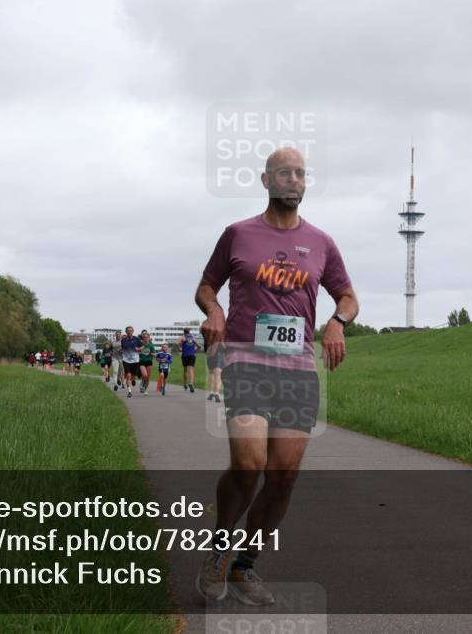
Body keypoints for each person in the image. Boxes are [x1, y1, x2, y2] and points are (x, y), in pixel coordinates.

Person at [194, 147, 358, 606]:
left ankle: (245, 565)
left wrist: (337, 321)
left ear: (305, 184)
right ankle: (219, 550)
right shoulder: (238, 234)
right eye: (284, 172)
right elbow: (206, 285)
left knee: (283, 474)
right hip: (246, 360)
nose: (293, 179)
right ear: (265, 181)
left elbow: (347, 295)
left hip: (297, 369)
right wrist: (215, 309)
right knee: (249, 464)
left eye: (300, 173)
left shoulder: (322, 243)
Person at [120, 326, 142, 398]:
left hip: (135, 360)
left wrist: (138, 349)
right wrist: (121, 349)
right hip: (126, 360)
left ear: (133, 331)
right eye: (128, 331)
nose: (129, 332)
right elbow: (122, 347)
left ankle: (134, 379)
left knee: (133, 375)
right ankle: (129, 391)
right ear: (126, 332)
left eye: (131, 330)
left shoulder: (137, 339)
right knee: (128, 375)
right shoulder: (123, 340)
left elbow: (142, 347)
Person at [138, 330, 156, 395]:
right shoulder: (140, 344)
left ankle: (145, 390)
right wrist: (139, 350)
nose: (145, 338)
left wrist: (151, 354)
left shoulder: (151, 345)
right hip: (142, 361)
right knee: (144, 375)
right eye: (144, 337)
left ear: (149, 338)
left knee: (148, 377)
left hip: (149, 361)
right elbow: (136, 351)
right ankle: (142, 383)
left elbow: (154, 354)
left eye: (147, 337)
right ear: (142, 338)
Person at [180, 327, 198, 392]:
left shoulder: (183, 337)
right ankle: (191, 383)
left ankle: (185, 384)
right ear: (189, 331)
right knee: (191, 369)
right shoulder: (193, 337)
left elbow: (177, 343)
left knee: (185, 370)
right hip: (192, 355)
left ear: (184, 332)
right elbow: (199, 346)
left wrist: (180, 348)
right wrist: (195, 350)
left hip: (184, 355)